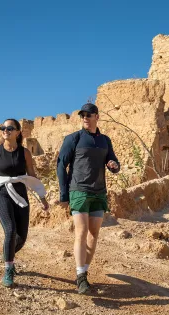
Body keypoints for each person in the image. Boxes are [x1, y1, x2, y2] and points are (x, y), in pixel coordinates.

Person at [57, 103, 120, 294]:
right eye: (83, 115)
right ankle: (80, 276)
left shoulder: (105, 141)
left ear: (97, 117)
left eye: (89, 114)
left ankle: (84, 272)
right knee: (81, 231)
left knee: (94, 234)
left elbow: (113, 162)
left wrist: (114, 165)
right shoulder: (73, 139)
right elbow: (61, 165)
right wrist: (64, 194)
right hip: (79, 190)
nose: (85, 117)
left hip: (99, 192)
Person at [0, 118, 49, 288]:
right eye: (3, 127)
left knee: (22, 237)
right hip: (1, 193)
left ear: (18, 132)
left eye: (10, 128)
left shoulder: (25, 152)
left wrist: (42, 197)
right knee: (10, 230)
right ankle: (8, 269)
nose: (6, 130)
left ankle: (7, 253)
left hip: (20, 194)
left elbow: (32, 175)